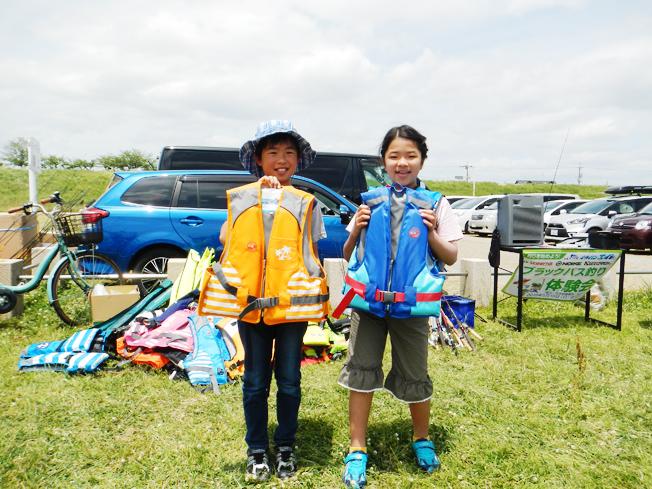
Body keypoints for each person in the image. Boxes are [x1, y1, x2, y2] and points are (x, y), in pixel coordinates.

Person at [338, 125, 463, 488]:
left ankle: (421, 438)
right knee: (361, 374)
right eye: (394, 155)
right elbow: (348, 256)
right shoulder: (369, 203)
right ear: (383, 161)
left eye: (410, 155)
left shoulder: (436, 203)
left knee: (415, 374)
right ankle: (357, 449)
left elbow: (452, 256)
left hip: (412, 308)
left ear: (422, 160)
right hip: (370, 306)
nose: (402, 162)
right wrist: (356, 229)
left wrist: (433, 233)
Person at [217, 120, 329, 482]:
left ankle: (285, 445)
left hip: (291, 308)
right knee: (254, 382)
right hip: (252, 308)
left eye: (289, 153)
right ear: (260, 160)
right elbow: (226, 240)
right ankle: (256, 449)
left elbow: (312, 254)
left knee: (290, 380)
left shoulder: (307, 203)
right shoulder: (244, 199)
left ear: (298, 160)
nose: (282, 160)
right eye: (273, 153)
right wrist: (259, 197)